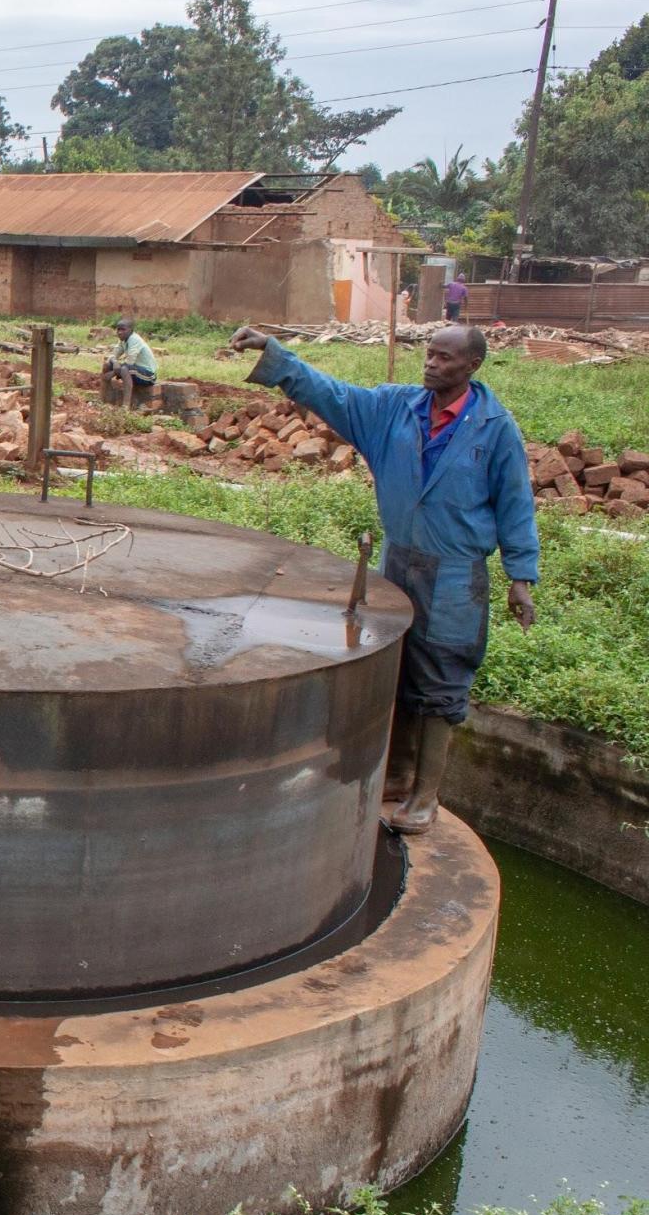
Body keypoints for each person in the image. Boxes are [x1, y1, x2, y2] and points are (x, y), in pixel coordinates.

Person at [228, 323, 538, 834]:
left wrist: (521, 576)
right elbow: (333, 394)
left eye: (444, 358)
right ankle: (394, 776)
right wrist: (276, 355)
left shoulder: (495, 428)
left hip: (456, 571)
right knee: (397, 664)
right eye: (429, 354)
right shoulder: (395, 409)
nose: (431, 364)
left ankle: (426, 794)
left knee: (442, 677)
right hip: (398, 562)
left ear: (472, 366)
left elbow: (515, 504)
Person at [101, 316, 158, 403]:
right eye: (118, 330)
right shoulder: (123, 340)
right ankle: (104, 398)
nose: (119, 332)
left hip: (148, 374)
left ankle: (126, 406)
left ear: (131, 330)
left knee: (124, 369)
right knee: (107, 365)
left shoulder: (134, 339)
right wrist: (115, 361)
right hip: (135, 371)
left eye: (123, 330)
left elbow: (129, 362)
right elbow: (112, 355)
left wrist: (113, 373)